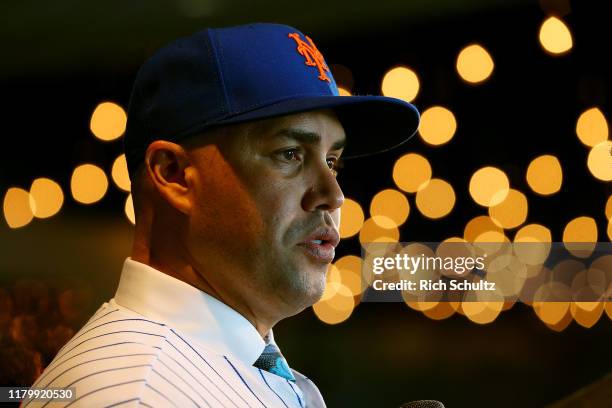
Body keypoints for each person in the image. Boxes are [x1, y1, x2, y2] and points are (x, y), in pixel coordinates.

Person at [26, 23, 419, 407]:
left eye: (332, 162)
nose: (333, 195)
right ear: (173, 174)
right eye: (290, 154)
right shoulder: (138, 394)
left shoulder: (224, 367)